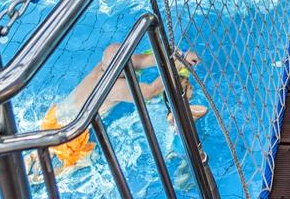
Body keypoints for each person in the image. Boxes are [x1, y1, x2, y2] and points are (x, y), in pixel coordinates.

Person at [39, 44, 205, 173]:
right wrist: (177, 66)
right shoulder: (112, 87)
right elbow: (151, 92)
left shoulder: (109, 57)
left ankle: (33, 159)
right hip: (72, 137)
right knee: (81, 163)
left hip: (52, 119)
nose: (134, 66)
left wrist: (181, 55)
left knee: (41, 153)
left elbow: (143, 60)